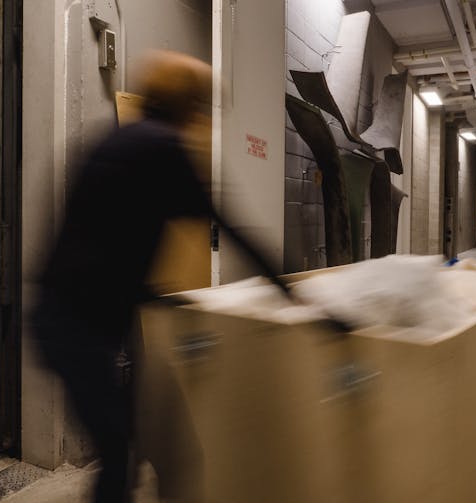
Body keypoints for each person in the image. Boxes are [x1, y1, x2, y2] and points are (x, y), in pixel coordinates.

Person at [30, 50, 296, 502]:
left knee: (132, 447)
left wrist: (154, 296)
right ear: (187, 104)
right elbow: (231, 227)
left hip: (69, 318)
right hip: (77, 329)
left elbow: (105, 238)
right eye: (202, 106)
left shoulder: (121, 139)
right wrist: (292, 293)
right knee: (119, 454)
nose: (203, 118)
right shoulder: (161, 148)